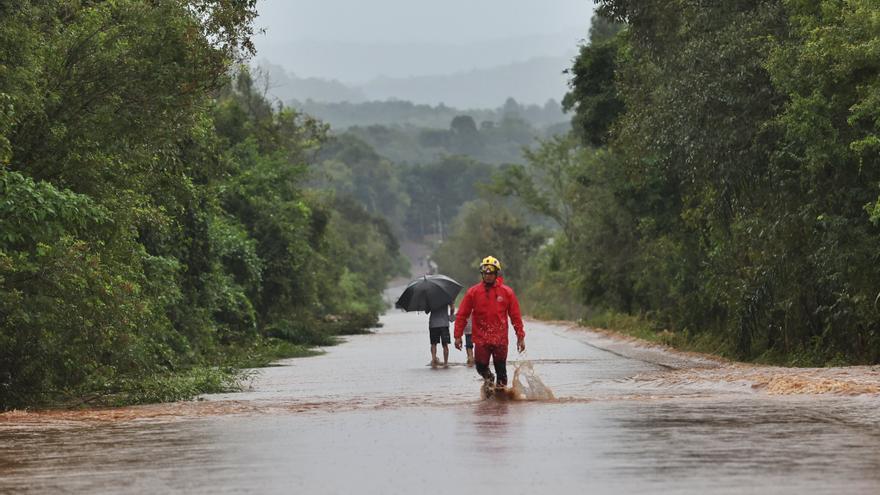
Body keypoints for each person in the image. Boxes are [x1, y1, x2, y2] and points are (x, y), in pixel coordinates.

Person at [454, 256, 525, 389]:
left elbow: (515, 317)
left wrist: (520, 337)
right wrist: (457, 336)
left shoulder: (507, 292)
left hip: (500, 340)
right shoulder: (473, 292)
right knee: (480, 366)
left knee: (501, 372)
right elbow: (462, 315)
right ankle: (489, 379)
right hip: (481, 339)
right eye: (485, 273)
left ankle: (500, 402)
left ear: (496, 273)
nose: (488, 276)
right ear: (482, 274)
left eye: (491, 273)